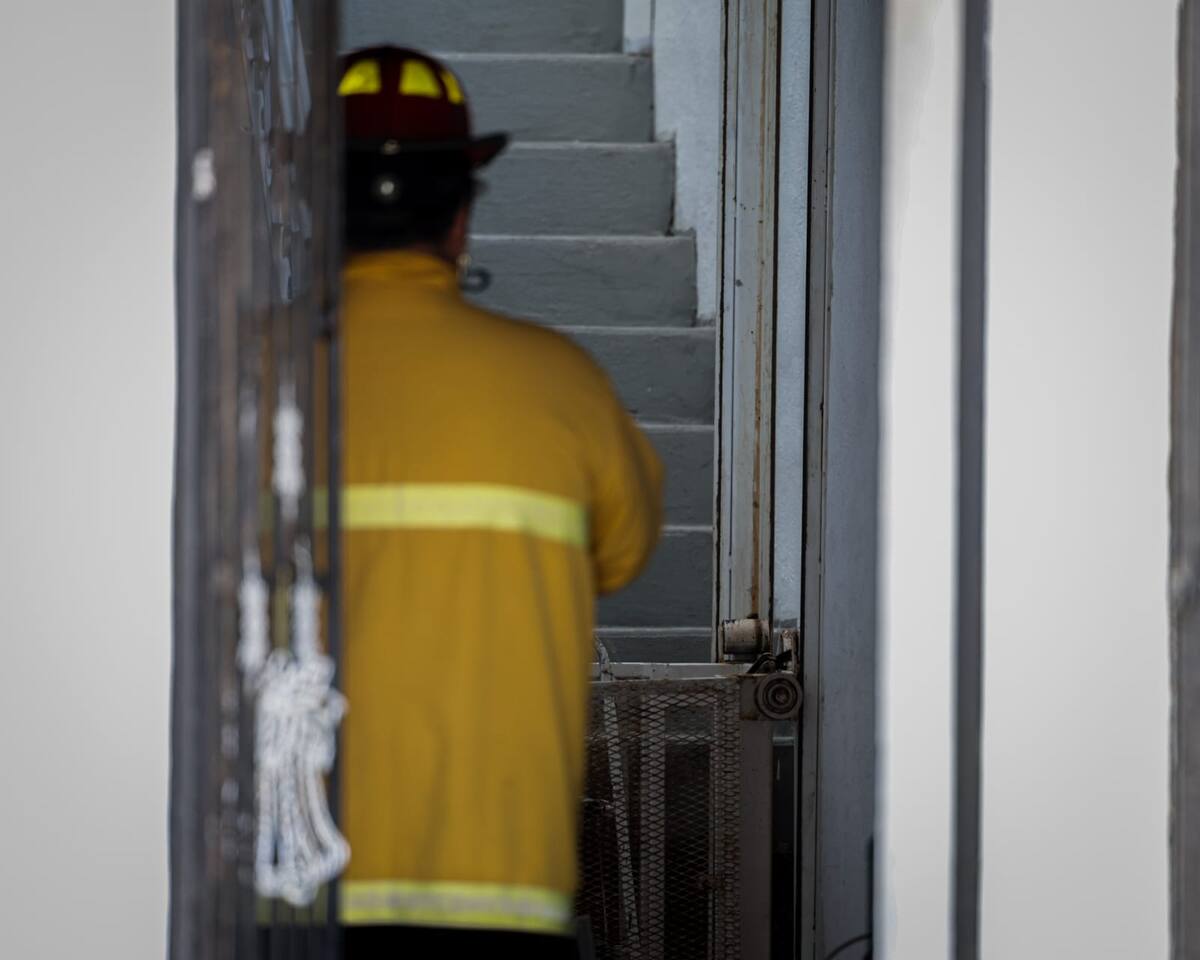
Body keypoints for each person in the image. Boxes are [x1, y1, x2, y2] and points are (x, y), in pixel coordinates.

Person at [335, 47, 663, 958]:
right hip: (503, 904)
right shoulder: (560, 384)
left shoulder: (248, 384)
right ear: (460, 219)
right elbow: (626, 554)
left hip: (290, 888)